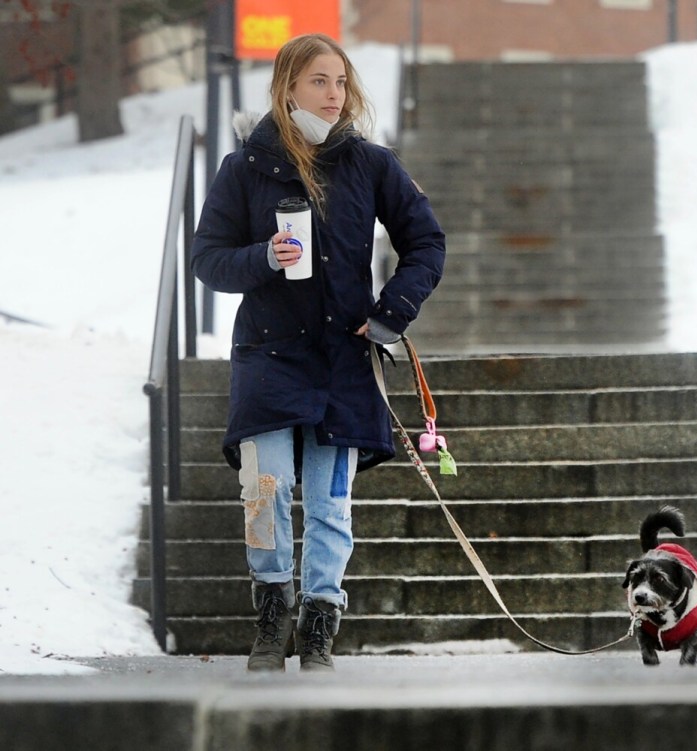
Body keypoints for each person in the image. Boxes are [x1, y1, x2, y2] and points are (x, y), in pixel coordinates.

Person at [191, 33, 445, 672]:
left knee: (330, 505)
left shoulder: (370, 163)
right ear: (287, 87)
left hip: (341, 359)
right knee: (265, 488)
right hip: (268, 357)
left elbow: (426, 243)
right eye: (319, 82)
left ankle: (320, 628)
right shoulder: (243, 167)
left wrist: (390, 315)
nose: (334, 96)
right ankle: (272, 617)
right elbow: (206, 260)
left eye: (340, 82)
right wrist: (262, 258)